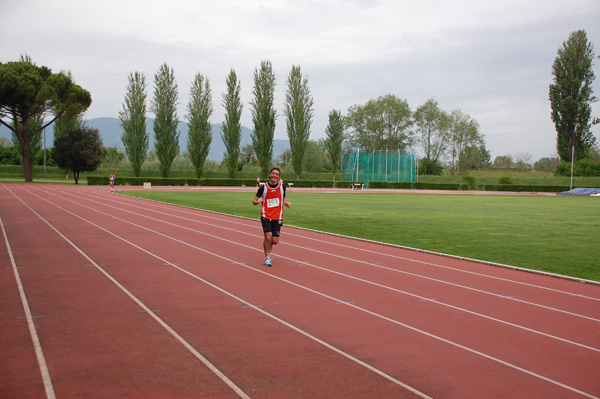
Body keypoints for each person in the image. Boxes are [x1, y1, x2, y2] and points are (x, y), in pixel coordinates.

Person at [253, 167, 291, 266]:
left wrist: (286, 204)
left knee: (275, 240)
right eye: (273, 173)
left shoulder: (282, 187)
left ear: (279, 177)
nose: (275, 176)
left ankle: (269, 246)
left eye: (277, 174)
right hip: (266, 215)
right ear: (270, 175)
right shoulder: (263, 187)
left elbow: (284, 200)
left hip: (278, 216)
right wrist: (257, 201)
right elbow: (254, 201)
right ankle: (267, 257)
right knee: (268, 236)